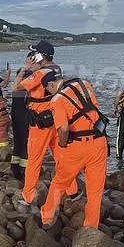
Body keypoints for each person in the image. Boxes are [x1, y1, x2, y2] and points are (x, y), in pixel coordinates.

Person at [40, 71, 109, 229]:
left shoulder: (57, 100)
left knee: (59, 182)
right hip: (99, 143)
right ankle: (91, 226)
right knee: (95, 190)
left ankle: (47, 217)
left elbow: (63, 129)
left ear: (51, 85)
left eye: (48, 90)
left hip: (77, 146)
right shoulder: (85, 84)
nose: (49, 93)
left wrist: (63, 145)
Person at [14, 41, 78, 204]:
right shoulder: (56, 68)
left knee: (34, 159)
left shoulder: (39, 74)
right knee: (60, 156)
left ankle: (28, 196)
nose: (32, 57)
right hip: (55, 118)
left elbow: (17, 88)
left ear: (41, 56)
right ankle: (73, 190)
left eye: (34, 54)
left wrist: (25, 69)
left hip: (40, 123)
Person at [10, 51, 35, 178]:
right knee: (26, 141)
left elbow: (14, 88)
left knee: (18, 140)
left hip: (15, 111)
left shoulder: (21, 72)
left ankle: (15, 167)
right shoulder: (31, 75)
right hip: (24, 112)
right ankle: (24, 170)